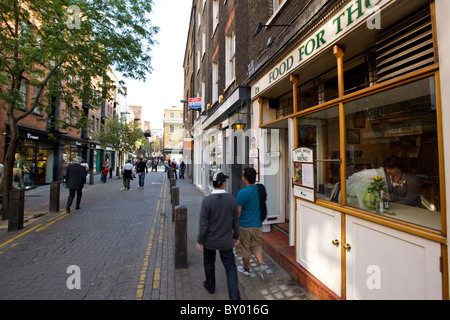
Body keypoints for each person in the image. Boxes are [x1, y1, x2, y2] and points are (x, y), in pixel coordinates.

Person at [196, 172, 241, 300]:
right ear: (223, 183)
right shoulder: (231, 199)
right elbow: (235, 221)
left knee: (209, 263)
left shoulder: (207, 201)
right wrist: (236, 236)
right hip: (226, 240)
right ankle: (234, 296)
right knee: (230, 267)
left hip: (210, 241)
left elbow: (204, 224)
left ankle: (210, 286)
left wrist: (200, 240)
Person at [235, 167, 268, 280]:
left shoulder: (242, 193)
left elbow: (238, 212)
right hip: (257, 224)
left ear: (245, 178)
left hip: (245, 225)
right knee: (257, 246)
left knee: (245, 248)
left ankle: (246, 269)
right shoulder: (259, 189)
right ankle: (262, 267)